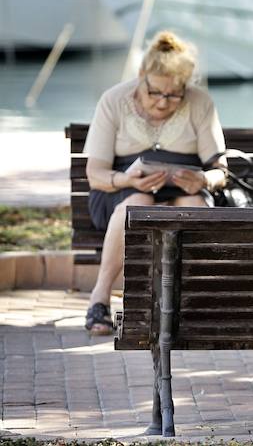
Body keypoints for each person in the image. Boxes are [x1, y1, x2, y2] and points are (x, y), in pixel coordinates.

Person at [83, 31, 228, 335]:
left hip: (183, 187)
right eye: (155, 93)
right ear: (141, 76)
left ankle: (192, 304)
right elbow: (94, 173)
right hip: (121, 190)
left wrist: (202, 178)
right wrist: (127, 179)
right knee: (139, 205)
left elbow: (220, 171)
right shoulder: (114, 100)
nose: (163, 103)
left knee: (193, 205)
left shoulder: (200, 102)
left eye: (173, 95)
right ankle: (100, 296)